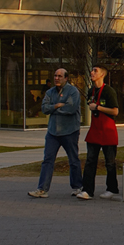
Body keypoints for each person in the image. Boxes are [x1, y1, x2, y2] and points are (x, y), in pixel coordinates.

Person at [28, 67, 82, 198]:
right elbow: (44, 108)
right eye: (55, 76)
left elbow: (71, 108)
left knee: (73, 160)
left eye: (60, 76)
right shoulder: (50, 92)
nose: (56, 78)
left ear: (66, 78)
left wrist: (53, 108)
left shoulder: (73, 91)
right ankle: (42, 189)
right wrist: (57, 106)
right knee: (47, 160)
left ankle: (77, 187)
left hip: (70, 131)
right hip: (53, 132)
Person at [79, 64, 120, 200]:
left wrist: (98, 107)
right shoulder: (91, 91)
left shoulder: (109, 91)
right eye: (92, 70)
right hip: (95, 130)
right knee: (90, 160)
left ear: (102, 74)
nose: (92, 72)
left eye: (95, 71)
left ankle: (112, 189)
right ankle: (87, 190)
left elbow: (115, 111)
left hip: (107, 131)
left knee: (110, 162)